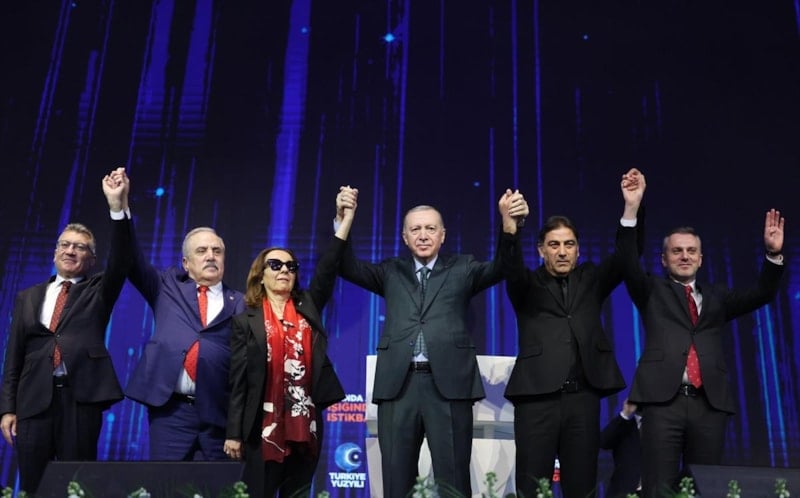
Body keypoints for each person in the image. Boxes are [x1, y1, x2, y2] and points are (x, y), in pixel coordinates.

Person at [336, 186, 528, 498]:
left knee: (453, 481)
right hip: (398, 388)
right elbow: (345, 266)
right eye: (415, 229)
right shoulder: (391, 271)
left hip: (449, 388)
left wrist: (509, 224)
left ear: (442, 235)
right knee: (396, 481)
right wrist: (344, 220)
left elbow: (503, 267)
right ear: (404, 237)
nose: (423, 235)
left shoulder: (463, 268)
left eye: (430, 228)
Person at [619, 175, 785, 497]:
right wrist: (631, 209)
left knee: (705, 488)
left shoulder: (718, 296)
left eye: (691, 251)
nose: (684, 256)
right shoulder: (651, 290)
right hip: (661, 403)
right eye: (677, 251)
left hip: (709, 404)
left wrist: (772, 256)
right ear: (664, 259)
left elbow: (763, 294)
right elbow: (626, 262)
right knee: (658, 487)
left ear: (700, 258)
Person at [503, 168, 645, 498]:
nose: (562, 251)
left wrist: (631, 208)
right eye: (554, 245)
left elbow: (626, 258)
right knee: (531, 487)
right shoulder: (527, 285)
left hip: (582, 399)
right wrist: (511, 228)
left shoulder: (591, 279)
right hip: (536, 400)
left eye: (569, 244)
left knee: (581, 487)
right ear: (541, 250)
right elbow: (509, 267)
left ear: (578, 249)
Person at [0, 168, 132, 493]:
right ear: (55, 251)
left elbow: (122, 258)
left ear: (92, 259)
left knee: (78, 485)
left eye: (80, 247)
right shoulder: (28, 297)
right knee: (33, 485)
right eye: (65, 244)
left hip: (80, 399)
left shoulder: (98, 289)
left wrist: (117, 208)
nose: (71, 251)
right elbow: (14, 357)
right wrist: (7, 409)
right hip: (33, 402)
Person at [223, 187, 355, 497]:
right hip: (262, 426)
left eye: (291, 266)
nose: (284, 270)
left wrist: (344, 221)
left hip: (305, 426)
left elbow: (328, 268)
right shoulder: (246, 321)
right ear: (260, 275)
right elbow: (239, 383)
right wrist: (234, 433)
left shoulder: (308, 306)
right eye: (276, 265)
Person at [117, 169, 246, 460]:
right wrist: (119, 208)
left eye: (217, 251)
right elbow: (130, 257)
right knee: (166, 483)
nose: (211, 256)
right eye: (202, 251)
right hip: (170, 413)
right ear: (186, 263)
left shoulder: (240, 303)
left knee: (219, 485)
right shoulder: (166, 286)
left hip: (218, 416)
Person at [600, 399, 642, 498]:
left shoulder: (663, 427)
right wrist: (625, 414)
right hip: (622, 492)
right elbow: (604, 442)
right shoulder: (624, 425)